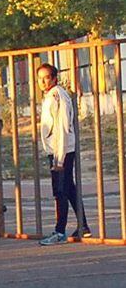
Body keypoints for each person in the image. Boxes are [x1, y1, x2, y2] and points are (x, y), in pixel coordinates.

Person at [37, 64, 91, 245]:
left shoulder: (56, 97)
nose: (42, 81)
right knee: (68, 188)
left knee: (60, 191)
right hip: (59, 149)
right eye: (40, 78)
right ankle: (83, 226)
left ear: (54, 78)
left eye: (46, 77)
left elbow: (62, 128)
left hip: (62, 151)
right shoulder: (51, 96)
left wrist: (58, 159)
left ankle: (59, 231)